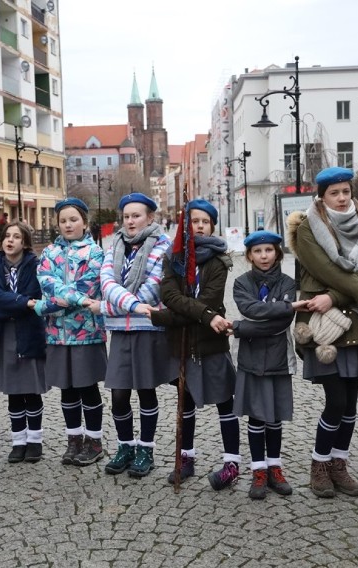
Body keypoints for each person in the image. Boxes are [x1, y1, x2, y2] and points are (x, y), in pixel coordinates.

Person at [288, 167, 358, 498]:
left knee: (350, 403)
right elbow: (329, 272)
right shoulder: (308, 228)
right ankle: (319, 464)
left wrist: (336, 297)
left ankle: (339, 464)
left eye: (346, 191)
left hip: (355, 321)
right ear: (321, 197)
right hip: (322, 325)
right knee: (335, 400)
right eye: (334, 192)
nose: (341, 198)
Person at [150, 199, 240, 489]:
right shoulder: (173, 257)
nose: (199, 226)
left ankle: (231, 462)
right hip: (182, 345)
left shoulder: (219, 260)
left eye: (205, 221)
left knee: (225, 402)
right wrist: (195, 314)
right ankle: (185, 458)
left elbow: (209, 301)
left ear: (213, 225)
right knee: (185, 402)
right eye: (194, 222)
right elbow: (170, 294)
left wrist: (163, 318)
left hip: (210, 344)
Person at [100, 193, 175, 478]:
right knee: (119, 394)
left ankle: (146, 449)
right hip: (120, 330)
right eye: (127, 216)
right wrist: (129, 305)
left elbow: (154, 287)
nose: (130, 221)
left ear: (150, 217)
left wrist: (113, 306)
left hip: (148, 329)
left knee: (145, 390)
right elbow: (106, 282)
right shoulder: (114, 244)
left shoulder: (163, 246)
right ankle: (125, 446)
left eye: (136, 215)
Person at [232, 230, 309, 499]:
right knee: (255, 415)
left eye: (268, 250)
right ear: (249, 255)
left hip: (277, 357)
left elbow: (280, 323)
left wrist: (242, 328)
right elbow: (251, 309)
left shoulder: (288, 282)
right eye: (257, 251)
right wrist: (286, 307)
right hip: (251, 359)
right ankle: (258, 470)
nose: (264, 256)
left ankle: (275, 468)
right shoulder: (241, 283)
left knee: (274, 416)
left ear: (277, 252)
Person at [33, 198, 107, 466]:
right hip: (57, 334)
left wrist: (46, 307)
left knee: (88, 388)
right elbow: (47, 283)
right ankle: (73, 438)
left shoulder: (96, 253)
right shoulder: (49, 253)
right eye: (63, 220)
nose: (68, 224)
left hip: (87, 333)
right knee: (67, 389)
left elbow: (89, 288)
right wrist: (71, 302)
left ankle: (94, 440)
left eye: (73, 219)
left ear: (85, 222)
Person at [0, 222, 48, 464]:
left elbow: (37, 295)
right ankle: (18, 441)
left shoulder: (35, 265)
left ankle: (35, 440)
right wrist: (23, 304)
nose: (10, 240)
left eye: (16, 237)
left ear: (25, 242)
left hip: (29, 332)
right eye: (7, 236)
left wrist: (16, 305)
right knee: (13, 391)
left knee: (31, 390)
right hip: (4, 336)